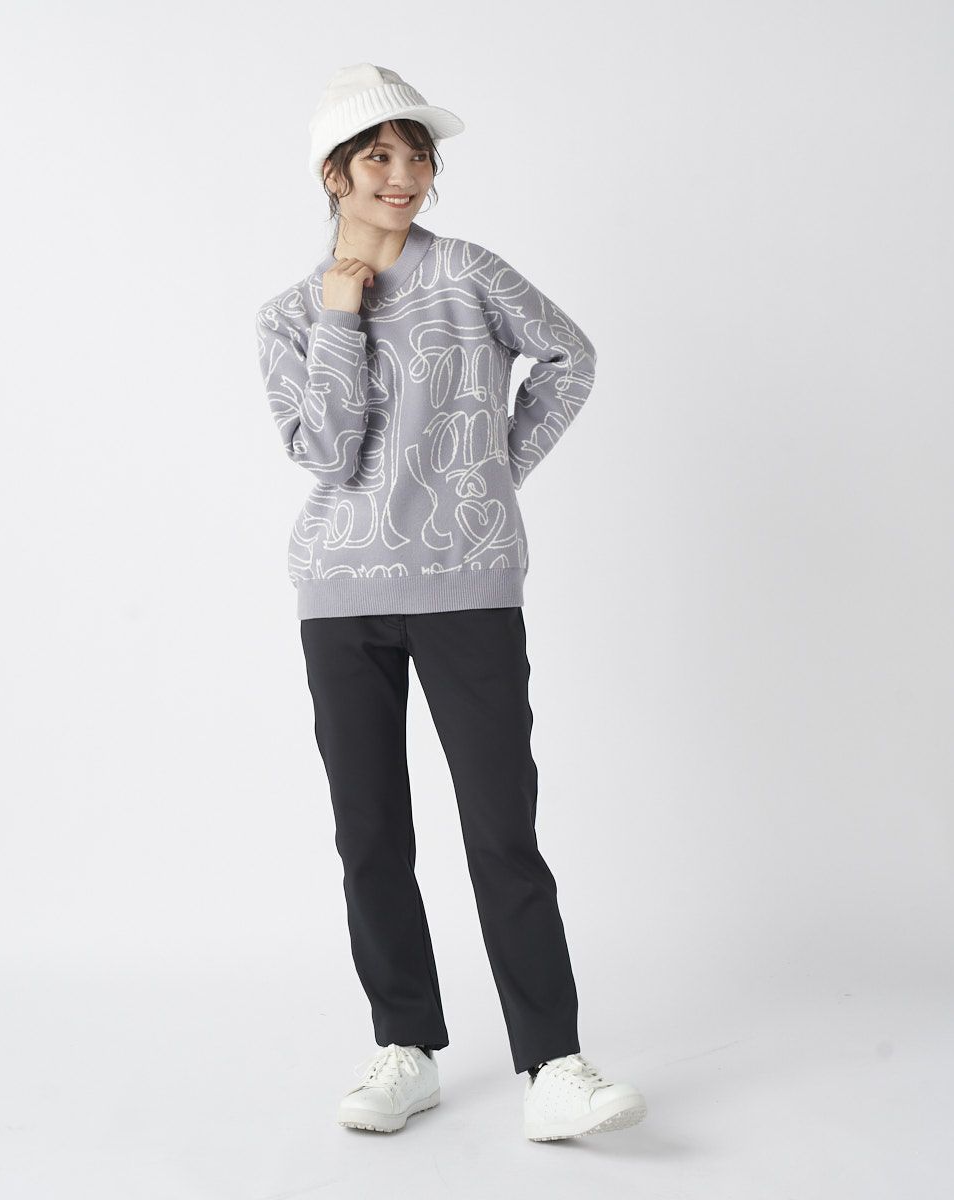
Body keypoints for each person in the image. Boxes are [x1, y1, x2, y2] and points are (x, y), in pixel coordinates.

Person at [254, 62, 647, 1142]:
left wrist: (491, 475)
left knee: (500, 829)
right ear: (333, 173)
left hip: (468, 588)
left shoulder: (468, 272)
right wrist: (341, 313)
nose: (404, 174)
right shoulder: (287, 316)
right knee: (370, 834)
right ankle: (405, 1048)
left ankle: (553, 1065)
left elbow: (569, 357)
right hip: (339, 595)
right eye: (379, 155)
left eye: (418, 155)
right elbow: (326, 453)